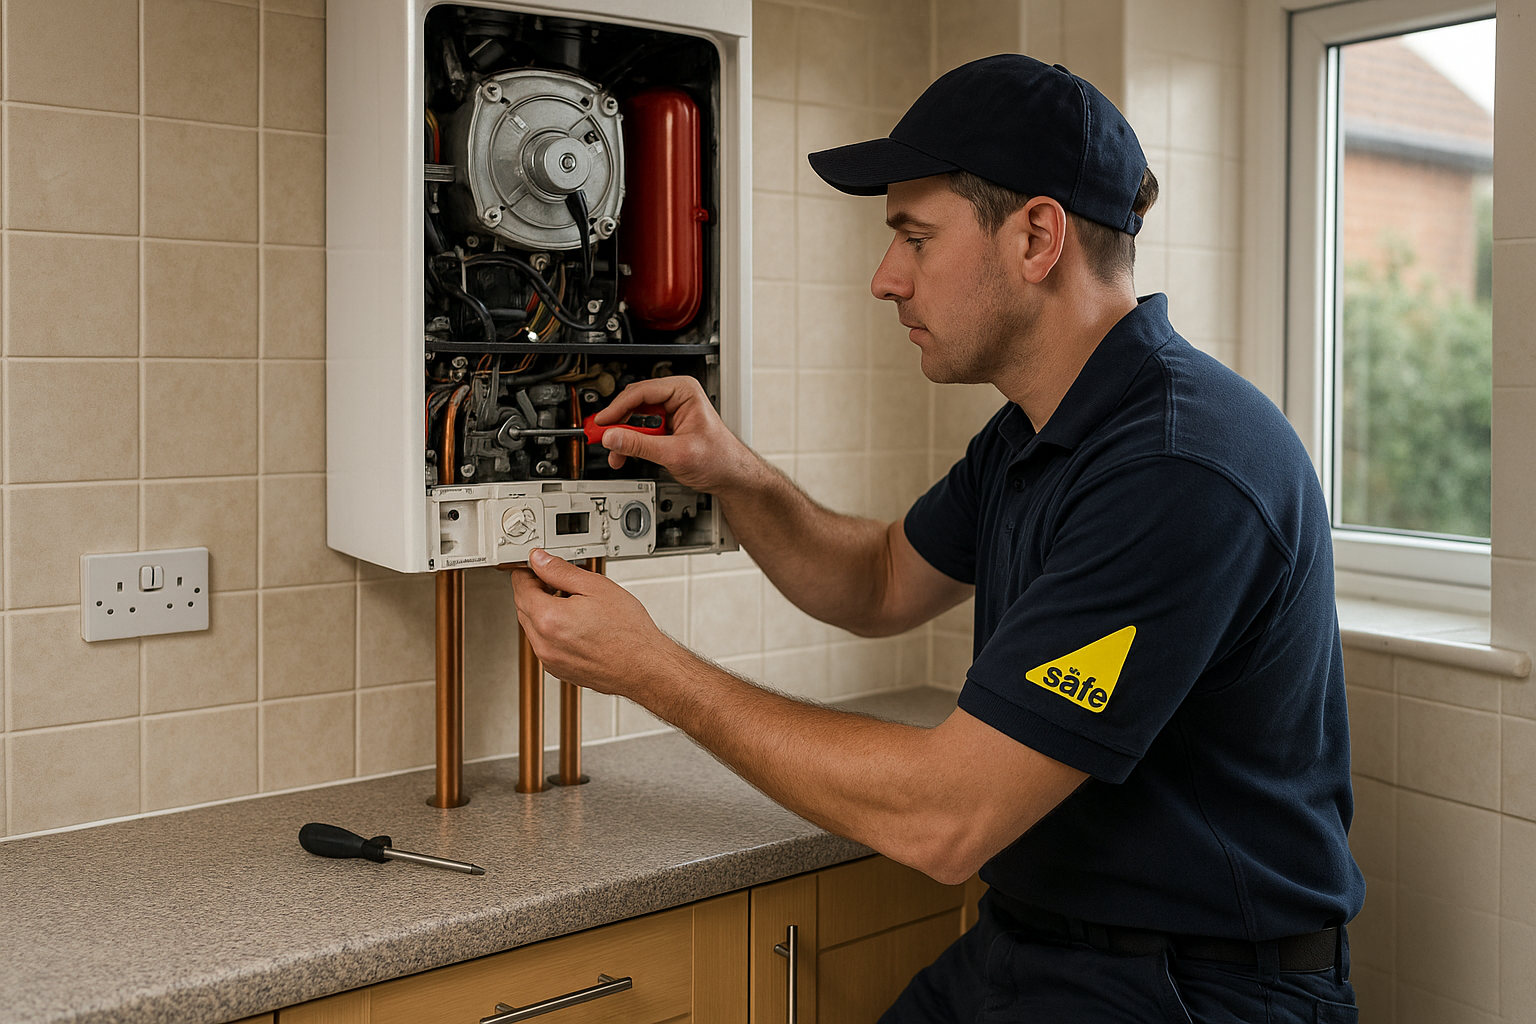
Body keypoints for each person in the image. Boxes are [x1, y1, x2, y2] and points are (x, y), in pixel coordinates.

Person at [509, 54, 1364, 1023]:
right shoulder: (1036, 432)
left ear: (1038, 236)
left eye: (914, 237)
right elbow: (878, 579)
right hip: (1038, 949)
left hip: (1200, 990)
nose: (885, 279)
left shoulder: (1180, 468)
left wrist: (652, 668)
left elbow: (947, 815)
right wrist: (731, 472)